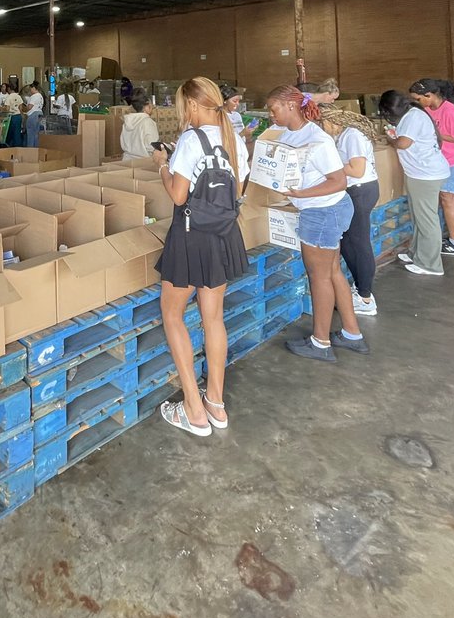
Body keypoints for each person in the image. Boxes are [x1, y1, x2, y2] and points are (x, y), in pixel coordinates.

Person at [151, 77, 248, 437]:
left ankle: (192, 408)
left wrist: (163, 164)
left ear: (192, 106)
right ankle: (216, 405)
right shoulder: (235, 139)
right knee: (214, 319)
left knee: (172, 314)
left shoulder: (191, 140)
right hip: (224, 236)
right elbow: (237, 189)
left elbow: (178, 197)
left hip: (191, 238)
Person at [265, 85, 365, 362]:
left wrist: (300, 194)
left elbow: (338, 181)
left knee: (319, 277)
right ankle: (351, 333)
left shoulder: (317, 140)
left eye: (273, 109)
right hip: (324, 210)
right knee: (332, 272)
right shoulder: (290, 133)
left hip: (322, 212)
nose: (270, 114)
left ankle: (320, 342)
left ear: (290, 106)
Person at [379, 90, 449, 276]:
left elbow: (403, 143)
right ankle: (416, 253)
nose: (388, 117)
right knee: (419, 217)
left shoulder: (413, 117)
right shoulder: (411, 114)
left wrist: (390, 139)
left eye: (388, 113)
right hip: (420, 174)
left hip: (426, 175)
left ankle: (430, 264)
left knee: (427, 221)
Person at [321, 108, 381, 316]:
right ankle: (360, 289)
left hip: (360, 190)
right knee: (348, 241)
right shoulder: (345, 135)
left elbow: (357, 169)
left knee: (359, 243)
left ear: (331, 121)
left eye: (323, 125)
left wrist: (327, 165)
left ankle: (365, 297)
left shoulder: (352, 135)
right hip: (357, 190)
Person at [408, 79, 454, 257]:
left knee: (447, 199)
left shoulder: (450, 111)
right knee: (450, 198)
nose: (418, 103)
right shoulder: (427, 110)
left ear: (430, 95)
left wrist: (439, 136)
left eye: (419, 99)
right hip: (441, 160)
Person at [120, 90, 159, 162]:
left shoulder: (127, 121)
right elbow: (151, 146)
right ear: (146, 107)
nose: (152, 107)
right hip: (144, 163)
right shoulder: (148, 122)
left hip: (126, 161)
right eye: (151, 105)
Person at [23, 80, 44, 148]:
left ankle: (30, 150)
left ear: (34, 88)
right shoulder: (40, 96)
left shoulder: (34, 96)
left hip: (33, 115)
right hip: (40, 115)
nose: (30, 90)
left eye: (31, 89)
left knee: (31, 134)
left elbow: (29, 107)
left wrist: (24, 109)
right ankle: (36, 150)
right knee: (37, 134)